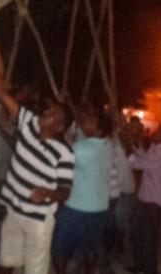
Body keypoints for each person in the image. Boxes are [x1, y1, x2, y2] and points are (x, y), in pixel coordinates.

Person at [0, 37, 75, 274]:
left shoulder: (64, 152)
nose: (46, 113)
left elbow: (66, 189)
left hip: (38, 222)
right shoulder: (28, 123)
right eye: (48, 110)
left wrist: (49, 193)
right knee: (5, 265)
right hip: (12, 212)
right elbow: (0, 91)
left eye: (53, 114)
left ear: (60, 127)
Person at [51, 103, 113, 274]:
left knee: (57, 247)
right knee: (89, 249)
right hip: (99, 208)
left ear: (99, 130)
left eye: (91, 121)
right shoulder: (107, 145)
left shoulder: (81, 149)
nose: (86, 121)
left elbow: (61, 152)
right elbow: (78, 134)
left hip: (78, 208)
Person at [128, 126, 161, 274]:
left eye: (158, 131)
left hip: (154, 201)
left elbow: (140, 163)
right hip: (147, 198)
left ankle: (149, 269)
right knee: (137, 232)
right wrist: (136, 146)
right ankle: (141, 265)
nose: (154, 132)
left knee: (148, 237)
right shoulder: (156, 149)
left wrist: (128, 154)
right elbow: (144, 157)